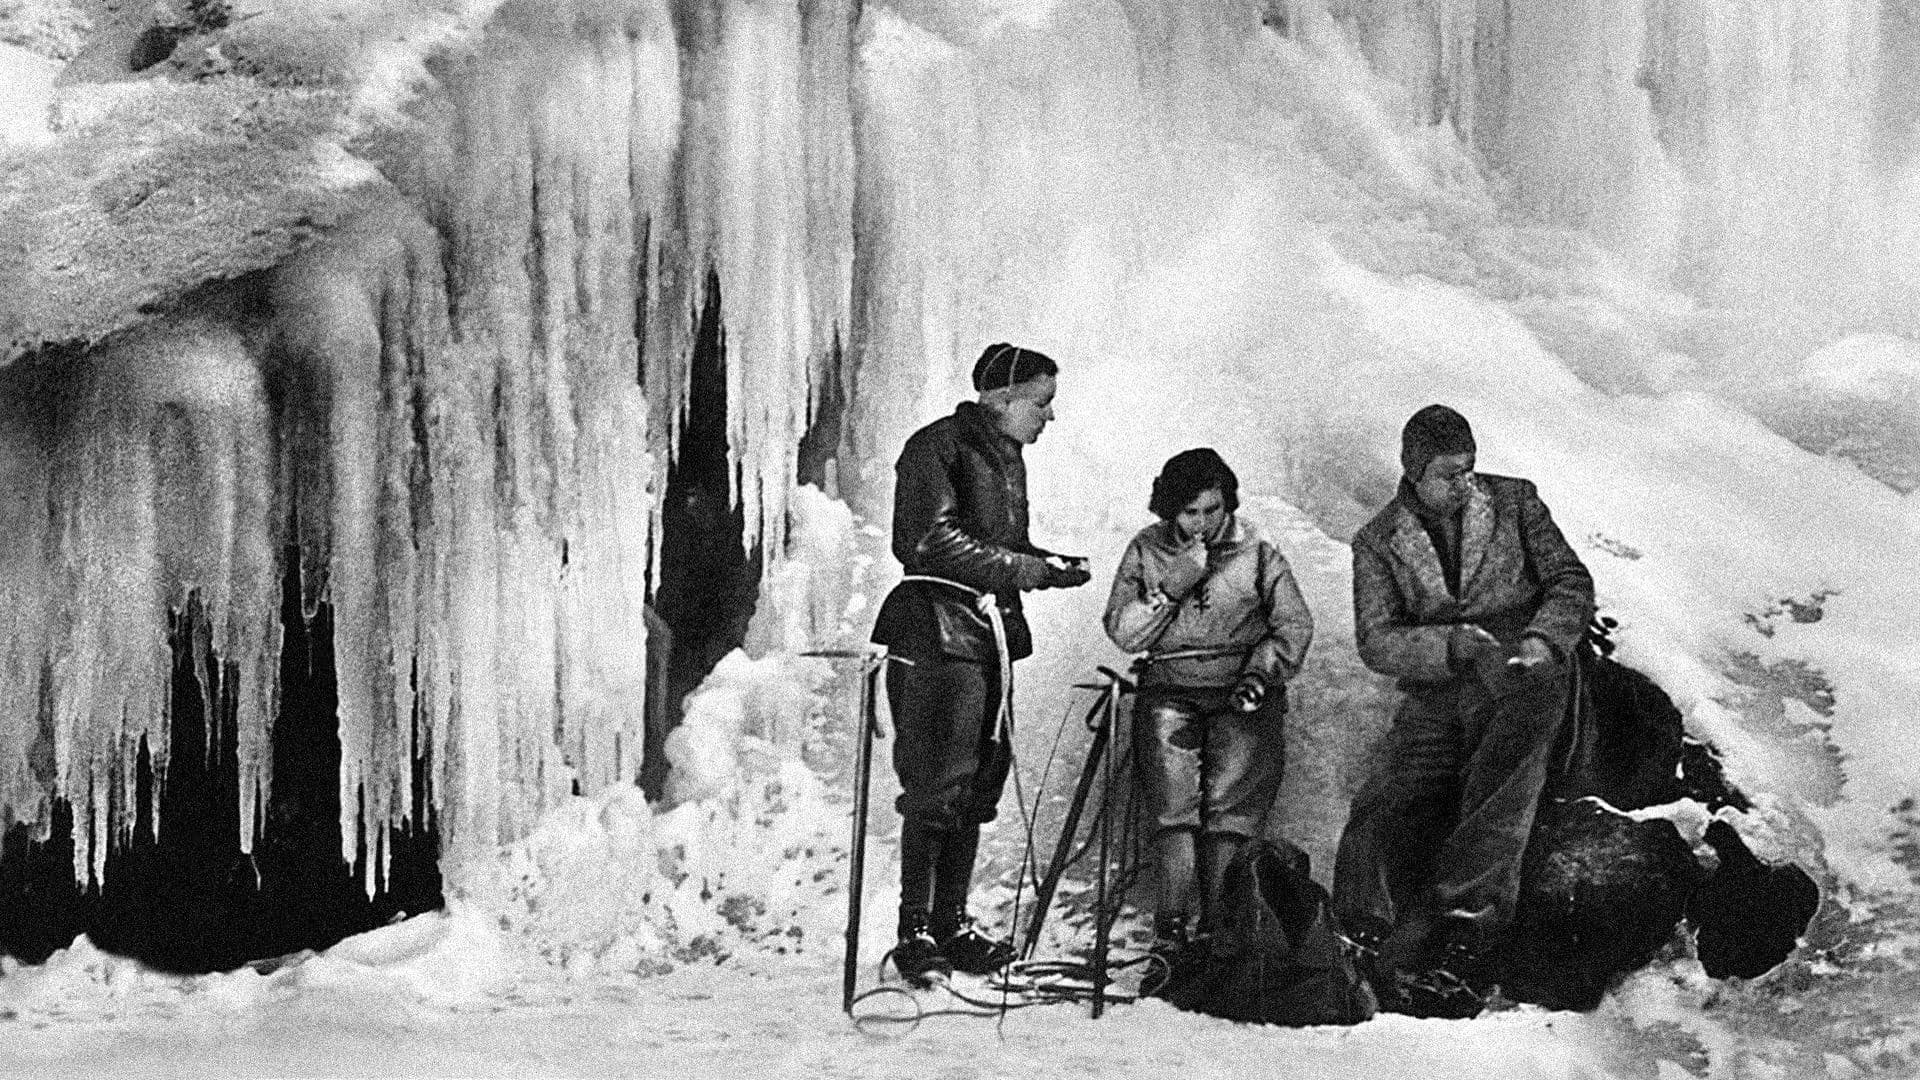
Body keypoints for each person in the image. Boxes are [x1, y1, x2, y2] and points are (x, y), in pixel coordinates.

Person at [1331, 404, 1595, 983]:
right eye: (1450, 473)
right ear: (1415, 473)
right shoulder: (1378, 541)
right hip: (1441, 687)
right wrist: (1448, 646)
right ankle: (1358, 932)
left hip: (1527, 672)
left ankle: (1463, 935)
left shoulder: (1516, 501)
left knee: (1500, 789)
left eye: (1470, 468)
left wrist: (1543, 640)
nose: (1466, 482)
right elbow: (1376, 642)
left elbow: (1570, 581)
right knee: (1388, 795)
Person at [869, 343, 1093, 985]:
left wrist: (1047, 566)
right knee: (937, 785)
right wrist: (1027, 569)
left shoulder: (1004, 457)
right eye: (1042, 403)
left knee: (976, 784)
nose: (1048, 418)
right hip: (936, 633)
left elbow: (1000, 548)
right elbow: (927, 541)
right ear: (1001, 399)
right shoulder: (935, 447)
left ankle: (952, 926)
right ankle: (914, 932)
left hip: (984, 634)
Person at [1103, 448, 1314, 961]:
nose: (1203, 523)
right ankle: (1172, 935)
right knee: (1174, 813)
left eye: (1214, 510)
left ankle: (1224, 933)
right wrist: (1174, 584)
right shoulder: (1146, 549)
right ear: (1169, 510)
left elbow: (1293, 625)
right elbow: (1123, 632)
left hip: (1242, 691)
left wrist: (1262, 671)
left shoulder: (1259, 550)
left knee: (1230, 814)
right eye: (1190, 512)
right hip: (1168, 690)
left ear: (1229, 503)